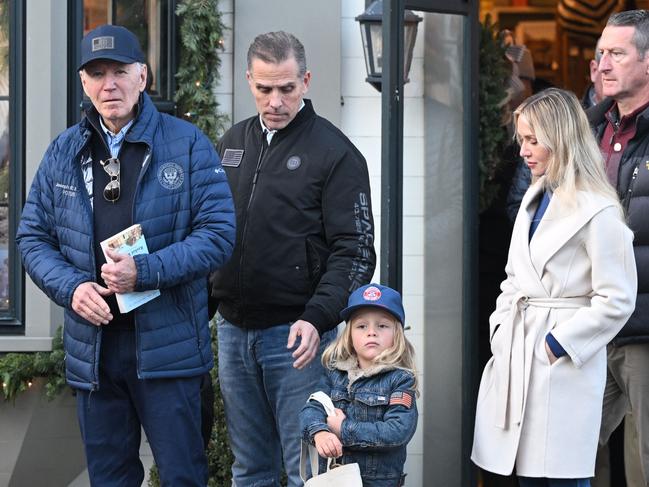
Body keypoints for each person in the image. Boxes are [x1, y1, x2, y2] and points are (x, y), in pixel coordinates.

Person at [16, 24, 235, 486]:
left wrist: (145, 271)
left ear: (143, 76)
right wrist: (71, 287)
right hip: (96, 353)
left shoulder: (188, 143)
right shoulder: (63, 151)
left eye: (120, 71)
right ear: (83, 83)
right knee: (110, 479)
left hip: (168, 351)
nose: (108, 84)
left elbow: (217, 235)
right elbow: (32, 238)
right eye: (96, 73)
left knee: (182, 478)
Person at [209, 31, 376, 486]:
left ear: (305, 80)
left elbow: (356, 252)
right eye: (264, 89)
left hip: (299, 340)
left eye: (286, 88)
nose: (276, 101)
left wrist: (317, 317)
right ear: (249, 82)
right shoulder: (230, 144)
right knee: (249, 470)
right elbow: (207, 234)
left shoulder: (336, 153)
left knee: (311, 471)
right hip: (233, 331)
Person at [472, 88, 637, 487]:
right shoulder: (533, 198)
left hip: (561, 363)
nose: (524, 151)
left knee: (562, 476)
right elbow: (513, 278)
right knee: (524, 473)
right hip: (517, 349)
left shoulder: (598, 209)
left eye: (533, 140)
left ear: (561, 139)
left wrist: (558, 343)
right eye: (522, 140)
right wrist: (500, 330)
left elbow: (617, 297)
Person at [588, 9, 649, 486]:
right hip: (589, 324)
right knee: (571, 449)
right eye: (601, 53)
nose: (604, 64)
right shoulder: (590, 131)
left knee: (643, 462)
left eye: (617, 54)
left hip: (644, 327)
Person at [300, 283, 418, 487]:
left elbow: (397, 430)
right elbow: (311, 408)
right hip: (334, 480)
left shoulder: (400, 380)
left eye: (382, 325)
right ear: (350, 335)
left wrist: (343, 429)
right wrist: (320, 433)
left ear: (396, 334)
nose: (371, 332)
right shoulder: (334, 374)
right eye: (362, 326)